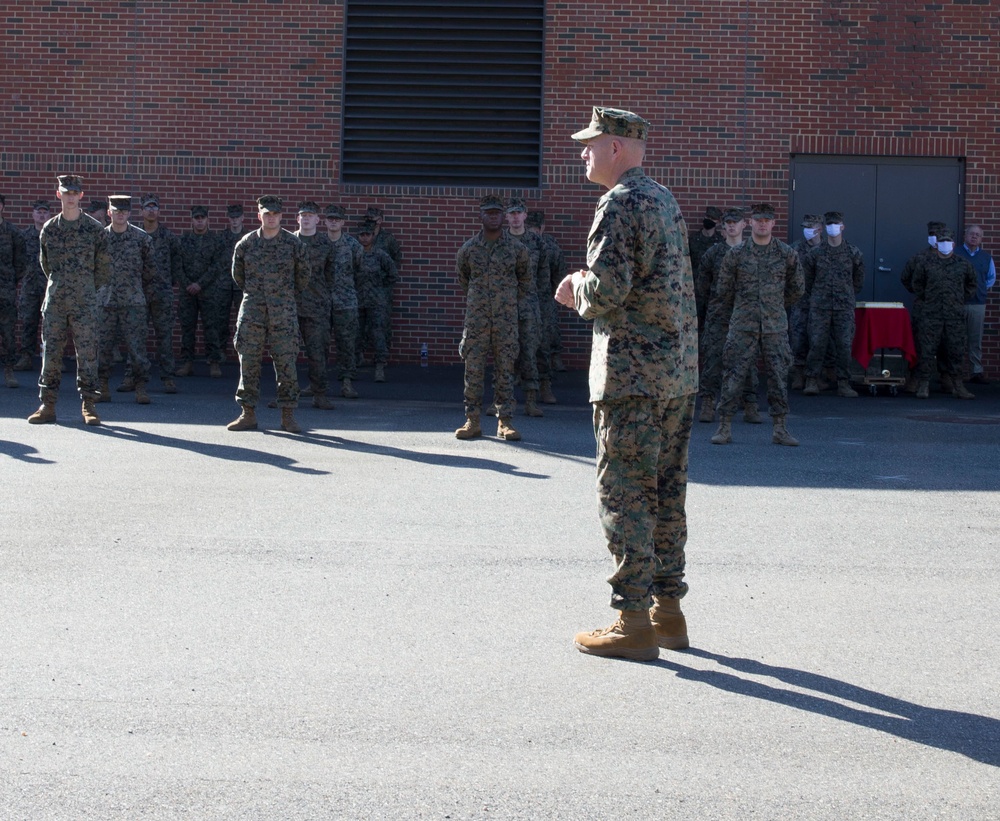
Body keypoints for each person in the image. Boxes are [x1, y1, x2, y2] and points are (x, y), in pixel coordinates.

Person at [555, 106, 698, 661]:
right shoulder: (663, 198)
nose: (583, 153)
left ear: (617, 147)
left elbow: (609, 289)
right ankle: (669, 613)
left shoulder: (620, 203)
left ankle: (632, 621)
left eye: (591, 144)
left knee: (626, 497)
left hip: (631, 376)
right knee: (667, 495)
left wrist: (575, 288)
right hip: (675, 374)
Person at [710, 202, 804, 447]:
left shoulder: (786, 254)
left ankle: (780, 429)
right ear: (750, 222)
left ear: (773, 223)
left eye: (767, 220)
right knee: (732, 374)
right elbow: (724, 289)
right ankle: (724, 427)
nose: (762, 224)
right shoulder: (737, 254)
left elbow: (797, 289)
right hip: (743, 323)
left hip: (775, 325)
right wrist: (744, 308)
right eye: (758, 219)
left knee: (778, 376)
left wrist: (774, 305)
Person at [28, 174, 111, 426]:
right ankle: (48, 404)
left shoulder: (94, 230)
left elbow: (103, 269)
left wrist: (84, 289)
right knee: (50, 353)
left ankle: (89, 405)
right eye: (66, 193)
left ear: (81, 196)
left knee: (87, 354)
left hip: (84, 303)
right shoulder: (50, 229)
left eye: (75, 193)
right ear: (59, 195)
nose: (71, 197)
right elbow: (46, 265)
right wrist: (63, 284)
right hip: (55, 302)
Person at [228, 195, 308, 433]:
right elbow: (238, 276)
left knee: (286, 364)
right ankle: (248, 413)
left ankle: (288, 415)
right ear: (259, 215)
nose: (271, 218)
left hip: (283, 312)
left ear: (281, 216)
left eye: (275, 214)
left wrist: (281, 296)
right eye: (267, 214)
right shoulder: (246, 243)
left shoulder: (294, 245)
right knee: (248, 363)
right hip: (253, 311)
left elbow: (303, 277)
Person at [455, 194, 531, 442]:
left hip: (505, 321)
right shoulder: (468, 250)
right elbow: (463, 280)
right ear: (481, 216)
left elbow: (524, 282)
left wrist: (506, 303)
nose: (494, 217)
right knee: (473, 370)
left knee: (505, 371)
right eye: (489, 213)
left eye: (498, 213)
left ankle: (505, 421)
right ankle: (472, 420)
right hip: (476, 321)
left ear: (503, 216)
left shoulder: (517, 249)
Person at [696, 207, 760, 424]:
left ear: (745, 224)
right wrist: (704, 317)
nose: (732, 226)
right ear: (723, 226)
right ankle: (707, 403)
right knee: (713, 359)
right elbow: (702, 289)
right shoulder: (712, 254)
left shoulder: (754, 254)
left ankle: (750, 404)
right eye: (728, 222)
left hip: (745, 317)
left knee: (748, 361)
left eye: (736, 222)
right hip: (718, 316)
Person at [98, 195, 155, 404]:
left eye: (124, 211)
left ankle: (140, 387)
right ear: (109, 213)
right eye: (116, 211)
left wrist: (137, 290)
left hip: (133, 302)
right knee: (102, 348)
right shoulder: (100, 238)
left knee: (137, 349)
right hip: (105, 302)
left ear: (130, 213)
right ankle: (102, 385)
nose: (120, 214)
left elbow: (150, 271)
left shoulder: (142, 239)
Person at [801, 211, 865, 398]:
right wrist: (818, 296)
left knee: (844, 345)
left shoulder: (853, 252)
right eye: (829, 225)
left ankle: (844, 382)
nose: (832, 228)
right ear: (824, 228)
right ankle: (812, 379)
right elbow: (808, 280)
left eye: (836, 224)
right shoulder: (815, 253)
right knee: (817, 343)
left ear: (842, 227)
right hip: (820, 306)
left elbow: (858, 281)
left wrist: (845, 294)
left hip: (844, 306)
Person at [910, 227, 977, 399]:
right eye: (942, 242)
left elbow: (971, 285)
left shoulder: (963, 264)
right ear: (937, 244)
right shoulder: (926, 263)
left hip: (954, 316)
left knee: (955, 350)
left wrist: (959, 299)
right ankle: (923, 385)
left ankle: (958, 385)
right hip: (931, 315)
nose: (945, 244)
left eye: (948, 241)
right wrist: (928, 299)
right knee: (926, 350)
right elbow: (917, 284)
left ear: (954, 244)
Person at [123, 194, 180, 394]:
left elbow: (176, 263)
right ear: (141, 211)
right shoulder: (135, 235)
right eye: (148, 207)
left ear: (158, 211)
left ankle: (168, 378)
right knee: (136, 337)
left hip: (162, 294)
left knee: (164, 336)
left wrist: (169, 284)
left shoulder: (169, 237)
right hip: (138, 293)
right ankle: (132, 376)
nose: (151, 211)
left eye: (154, 207)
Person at [505, 196, 548, 415]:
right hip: (506, 306)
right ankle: (503, 401)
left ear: (525, 215)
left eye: (518, 213)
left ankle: (531, 401)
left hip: (529, 305)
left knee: (529, 353)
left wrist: (539, 301)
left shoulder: (536, 242)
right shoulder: (499, 241)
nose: (514, 218)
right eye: (511, 214)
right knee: (505, 354)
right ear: (506, 217)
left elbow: (543, 275)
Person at [177, 205, 228, 378]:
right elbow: (177, 265)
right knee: (187, 327)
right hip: (187, 291)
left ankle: (214, 363)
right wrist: (188, 284)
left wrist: (200, 284)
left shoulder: (216, 240)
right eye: (196, 218)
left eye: (202, 218)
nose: (199, 221)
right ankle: (187, 363)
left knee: (212, 327)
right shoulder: (183, 240)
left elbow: (218, 266)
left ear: (207, 220)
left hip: (209, 290)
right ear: (192, 220)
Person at [294, 201, 336, 409]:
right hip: (289, 306)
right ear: (298, 219)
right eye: (303, 215)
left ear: (318, 220)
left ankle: (319, 394)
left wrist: (321, 295)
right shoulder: (288, 241)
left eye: (311, 215)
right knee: (285, 353)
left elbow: (331, 275)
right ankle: (286, 396)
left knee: (317, 352)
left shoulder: (325, 244)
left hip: (317, 306)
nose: (307, 218)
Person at [901, 221, 948, 393]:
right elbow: (906, 278)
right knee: (921, 345)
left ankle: (946, 377)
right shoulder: (919, 258)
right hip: (924, 309)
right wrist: (922, 294)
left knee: (946, 344)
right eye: (932, 234)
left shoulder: (953, 258)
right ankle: (915, 377)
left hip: (946, 309)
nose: (935, 238)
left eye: (938, 234)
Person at [324, 204, 363, 398]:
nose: (333, 222)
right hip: (321, 302)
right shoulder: (318, 243)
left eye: (337, 219)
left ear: (343, 222)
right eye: (330, 219)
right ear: (325, 221)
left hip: (345, 301)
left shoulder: (353, 245)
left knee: (346, 344)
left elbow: (360, 271)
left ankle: (347, 382)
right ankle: (317, 384)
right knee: (318, 344)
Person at [355, 219, 396, 383]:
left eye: (368, 235)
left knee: (378, 332)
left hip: (377, 301)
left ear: (373, 236)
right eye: (362, 235)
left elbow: (393, 275)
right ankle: (356, 362)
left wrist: (380, 287)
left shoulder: (380, 255)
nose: (364, 238)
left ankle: (380, 365)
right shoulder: (354, 253)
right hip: (357, 299)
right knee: (356, 332)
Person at [527, 210, 568, 373]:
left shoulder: (549, 246)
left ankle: (552, 359)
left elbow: (559, 273)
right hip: (529, 295)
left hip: (542, 295)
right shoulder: (548, 245)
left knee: (548, 329)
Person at [787, 213, 824, 390]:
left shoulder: (827, 248)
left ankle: (816, 376)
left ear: (820, 229)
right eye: (806, 227)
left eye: (811, 227)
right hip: (800, 301)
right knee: (798, 337)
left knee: (819, 339)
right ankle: (798, 374)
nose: (808, 231)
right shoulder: (795, 249)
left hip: (821, 302)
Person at [14, 199, 49, 373]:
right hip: (30, 285)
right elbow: (17, 259)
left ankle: (50, 359)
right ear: (33, 214)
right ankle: (26, 356)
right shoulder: (23, 236)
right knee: (28, 321)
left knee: (51, 323)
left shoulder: (53, 235)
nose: (41, 215)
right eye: (38, 212)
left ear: (49, 215)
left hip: (50, 285)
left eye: (44, 212)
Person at [957, 224, 995, 384]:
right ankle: (955, 373)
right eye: (971, 234)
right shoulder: (955, 254)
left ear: (981, 239)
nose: (974, 237)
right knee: (956, 339)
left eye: (977, 235)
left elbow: (991, 279)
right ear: (965, 236)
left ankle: (976, 371)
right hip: (957, 303)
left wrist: (978, 289)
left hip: (978, 303)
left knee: (975, 339)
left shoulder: (986, 258)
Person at [364, 205, 401, 354]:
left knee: (382, 322)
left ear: (379, 221)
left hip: (382, 288)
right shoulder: (363, 236)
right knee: (364, 322)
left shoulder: (388, 239)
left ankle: (382, 355)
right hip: (364, 287)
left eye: (372, 219)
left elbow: (396, 258)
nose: (369, 222)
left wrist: (385, 278)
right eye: (367, 219)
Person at [0, 193, 27, 389]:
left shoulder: (12, 232)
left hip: (5, 291)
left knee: (8, 333)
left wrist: (9, 282)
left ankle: (8, 370)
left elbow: (20, 263)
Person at [220, 203, 250, 364]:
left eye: (237, 217)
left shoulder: (248, 237)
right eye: (232, 217)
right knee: (221, 321)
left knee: (244, 321)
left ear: (242, 218)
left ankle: (244, 354)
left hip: (242, 286)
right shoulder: (222, 237)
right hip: (223, 285)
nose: (234, 220)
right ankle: (220, 355)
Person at [689, 205, 723, 324]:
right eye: (707, 216)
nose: (709, 220)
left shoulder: (720, 243)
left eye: (712, 218)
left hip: (711, 292)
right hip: (693, 291)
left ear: (718, 222)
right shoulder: (693, 239)